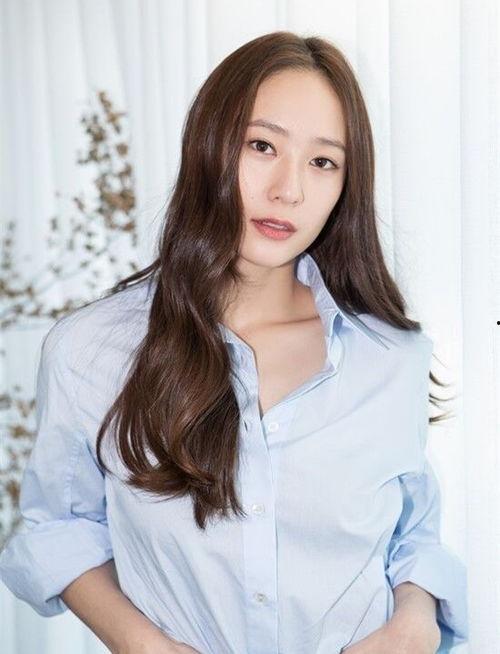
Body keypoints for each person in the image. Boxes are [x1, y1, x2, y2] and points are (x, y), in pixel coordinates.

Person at [0, 31, 467, 654]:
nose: (288, 189)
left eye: (323, 162)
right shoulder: (92, 350)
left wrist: (415, 622)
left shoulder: (390, 357)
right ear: (209, 147)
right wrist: (142, 644)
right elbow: (58, 526)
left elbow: (413, 536)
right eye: (262, 145)